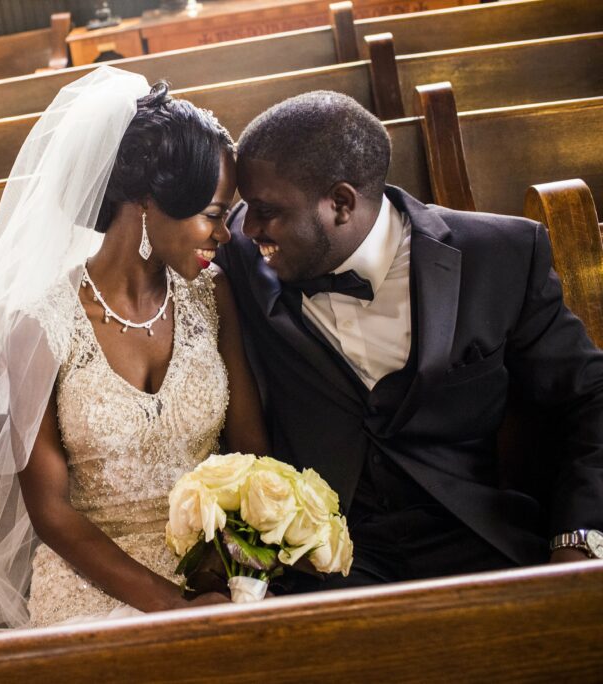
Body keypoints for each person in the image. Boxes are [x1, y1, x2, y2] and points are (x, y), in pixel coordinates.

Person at [0, 66, 268, 650]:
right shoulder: (40, 324)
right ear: (146, 202)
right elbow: (50, 511)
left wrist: (231, 573)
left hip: (213, 562)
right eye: (214, 214)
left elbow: (251, 450)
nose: (226, 235)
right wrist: (171, 607)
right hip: (94, 578)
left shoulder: (211, 295)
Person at [215, 90, 603, 591]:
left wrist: (579, 535)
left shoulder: (501, 255)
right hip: (321, 562)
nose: (247, 228)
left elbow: (591, 395)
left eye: (266, 211)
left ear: (340, 203)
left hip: (480, 539)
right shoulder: (240, 261)